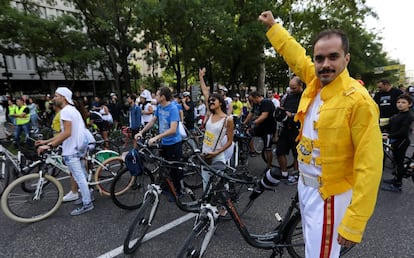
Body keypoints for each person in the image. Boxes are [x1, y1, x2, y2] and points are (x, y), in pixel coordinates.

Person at [258, 10, 382, 257]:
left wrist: (354, 222)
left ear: (346, 59)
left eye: (333, 57)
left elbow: (369, 166)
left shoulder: (359, 102)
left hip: (330, 196)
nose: (325, 64)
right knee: (313, 250)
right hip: (306, 188)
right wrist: (274, 26)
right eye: (319, 58)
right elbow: (295, 56)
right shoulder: (315, 82)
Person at [36, 87, 94, 216]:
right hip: (78, 148)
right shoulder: (72, 110)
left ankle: (87, 203)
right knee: (82, 176)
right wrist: (46, 141)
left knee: (79, 178)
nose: (53, 98)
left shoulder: (65, 112)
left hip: (71, 149)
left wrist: (50, 146)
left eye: (56, 96)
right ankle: (88, 196)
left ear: (63, 97)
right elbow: (65, 132)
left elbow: (66, 133)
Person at [134, 86, 184, 196]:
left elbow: (173, 129)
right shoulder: (160, 107)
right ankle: (167, 188)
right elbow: (152, 121)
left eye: (157, 94)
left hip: (174, 143)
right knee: (164, 167)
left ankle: (179, 192)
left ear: (163, 97)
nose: (155, 96)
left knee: (174, 169)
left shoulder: (173, 108)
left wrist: (157, 137)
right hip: (164, 143)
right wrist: (141, 132)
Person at [199, 68, 234, 190]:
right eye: (209, 101)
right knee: (206, 185)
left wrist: (216, 153)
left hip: (217, 156)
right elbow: (205, 93)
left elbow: (229, 141)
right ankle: (208, 208)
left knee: (221, 186)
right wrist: (201, 77)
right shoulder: (210, 113)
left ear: (220, 102)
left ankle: (224, 209)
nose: (210, 101)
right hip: (205, 154)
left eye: (214, 100)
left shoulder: (228, 120)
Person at [381, 94, 414, 192]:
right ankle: (395, 179)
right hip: (395, 141)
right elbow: (391, 125)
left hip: (402, 142)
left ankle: (398, 185)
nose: (400, 105)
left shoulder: (408, 116)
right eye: (398, 102)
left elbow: (403, 131)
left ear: (410, 104)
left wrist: (389, 136)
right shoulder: (398, 114)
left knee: (399, 164)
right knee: (395, 162)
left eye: (403, 103)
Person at [275, 76, 303, 185]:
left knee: (297, 154)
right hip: (285, 128)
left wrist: (292, 115)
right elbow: (283, 110)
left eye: (294, 88)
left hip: (298, 130)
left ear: (300, 86)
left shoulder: (305, 97)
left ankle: (296, 174)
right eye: (290, 88)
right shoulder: (287, 97)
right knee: (279, 151)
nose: (291, 90)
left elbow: (308, 114)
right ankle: (284, 173)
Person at [243, 91, 276, 169]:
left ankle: (269, 167)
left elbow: (264, 116)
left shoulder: (266, 102)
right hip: (259, 127)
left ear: (256, 97)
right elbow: (251, 113)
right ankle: (252, 150)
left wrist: (253, 123)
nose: (251, 102)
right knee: (248, 134)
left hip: (268, 128)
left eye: (252, 100)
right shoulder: (256, 104)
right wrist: (244, 123)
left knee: (268, 148)